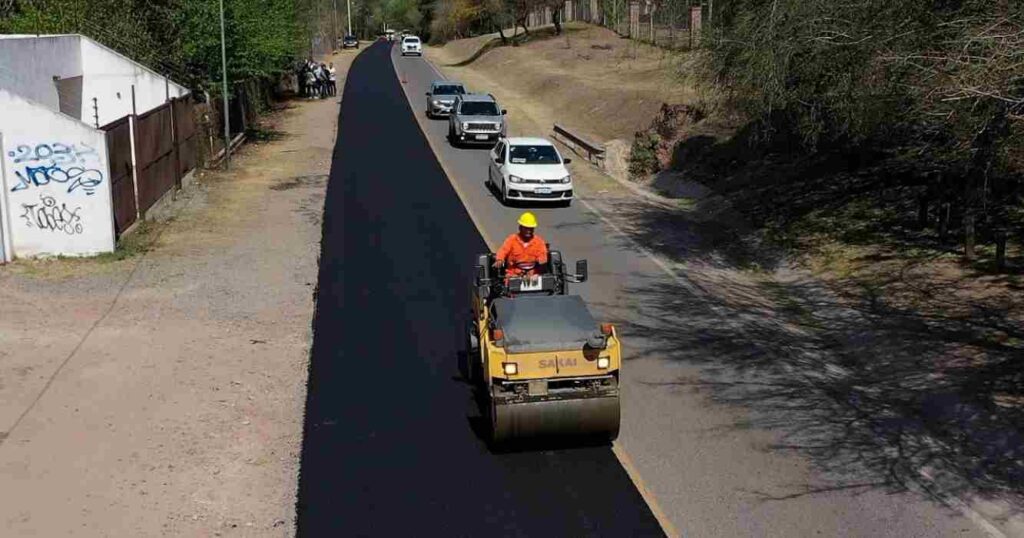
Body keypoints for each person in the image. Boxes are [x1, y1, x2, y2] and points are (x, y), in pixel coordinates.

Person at [493, 212, 547, 281]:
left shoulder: (539, 242)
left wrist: (538, 273)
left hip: (533, 275)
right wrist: (499, 259)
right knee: (511, 282)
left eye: (531, 228)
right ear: (520, 228)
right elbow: (503, 250)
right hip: (514, 274)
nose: (528, 231)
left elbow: (543, 258)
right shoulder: (511, 239)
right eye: (526, 228)